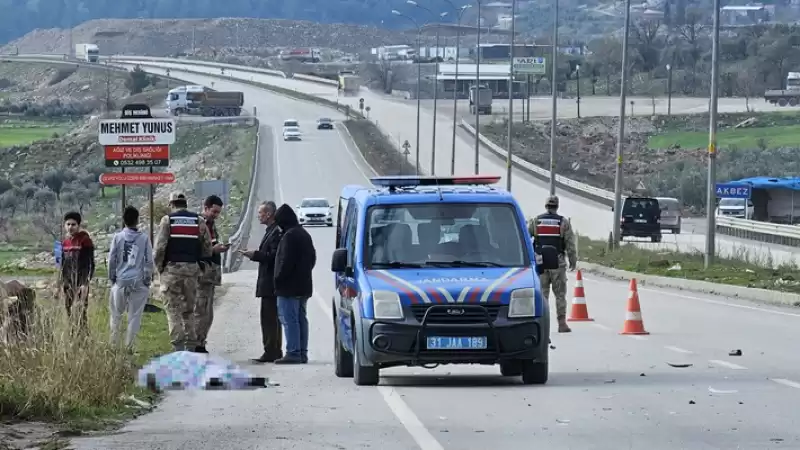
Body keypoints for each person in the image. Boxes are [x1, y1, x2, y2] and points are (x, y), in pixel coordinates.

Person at [154, 192, 213, 352]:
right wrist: (200, 264)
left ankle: (178, 347)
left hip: (171, 272)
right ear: (185, 203)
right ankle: (191, 347)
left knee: (173, 310)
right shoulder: (198, 221)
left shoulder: (168, 220)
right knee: (189, 311)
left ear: (171, 204)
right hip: (192, 272)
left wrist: (160, 268)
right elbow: (207, 247)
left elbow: (159, 248)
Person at [240, 201, 284, 363]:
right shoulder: (271, 231)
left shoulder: (276, 232)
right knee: (270, 318)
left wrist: (255, 255)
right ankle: (274, 349)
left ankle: (271, 351)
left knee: (269, 319)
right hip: (268, 282)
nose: (258, 216)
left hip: (270, 283)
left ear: (268, 214)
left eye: (260, 213)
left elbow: (273, 256)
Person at [272, 203, 316, 364]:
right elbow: (313, 259)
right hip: (304, 285)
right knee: (300, 318)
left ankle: (293, 352)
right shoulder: (304, 234)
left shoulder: (289, 236)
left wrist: (278, 279)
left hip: (288, 287)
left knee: (289, 319)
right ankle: (302, 351)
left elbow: (285, 262)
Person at [528, 195, 577, 333]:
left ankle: (541, 324)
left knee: (542, 295)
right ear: (557, 206)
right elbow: (570, 244)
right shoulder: (563, 222)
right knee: (560, 294)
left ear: (546, 206)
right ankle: (561, 323)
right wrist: (573, 260)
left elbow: (526, 237)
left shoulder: (536, 221)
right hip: (557, 262)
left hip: (541, 262)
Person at [108, 205, 154, 348]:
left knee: (116, 314)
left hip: (120, 281)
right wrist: (147, 279)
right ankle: (130, 346)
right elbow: (149, 261)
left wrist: (112, 277)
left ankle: (114, 344)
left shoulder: (117, 237)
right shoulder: (144, 238)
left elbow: (112, 259)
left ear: (123, 220)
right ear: (137, 220)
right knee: (134, 316)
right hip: (138, 281)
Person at [194, 195, 230, 354]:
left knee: (208, 312)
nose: (216, 215)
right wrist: (213, 250)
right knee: (201, 310)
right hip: (202, 274)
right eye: (214, 211)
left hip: (211, 275)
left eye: (218, 213)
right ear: (206, 208)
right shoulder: (198, 224)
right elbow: (196, 250)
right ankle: (196, 343)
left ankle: (201, 341)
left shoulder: (211, 225)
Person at [59, 211, 95, 331]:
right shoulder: (64, 243)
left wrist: (85, 283)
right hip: (68, 283)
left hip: (80, 282)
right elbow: (62, 265)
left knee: (81, 312)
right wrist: (61, 283)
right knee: (68, 311)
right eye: (68, 224)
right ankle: (72, 337)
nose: (70, 227)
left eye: (73, 224)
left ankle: (83, 340)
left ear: (78, 226)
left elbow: (89, 264)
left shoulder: (85, 241)